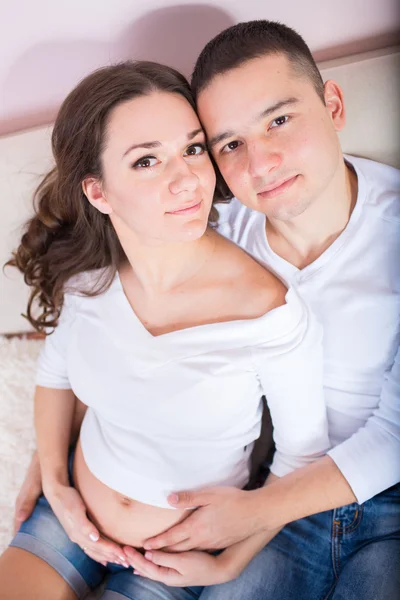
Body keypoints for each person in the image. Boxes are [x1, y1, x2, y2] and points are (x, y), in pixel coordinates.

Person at [0, 60, 329, 600]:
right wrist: (56, 485)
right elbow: (55, 371)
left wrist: (227, 564)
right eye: (147, 160)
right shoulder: (92, 278)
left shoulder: (266, 311)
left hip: (173, 561)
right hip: (69, 518)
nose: (187, 179)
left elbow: (301, 457)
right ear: (99, 193)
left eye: (194, 148)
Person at [119, 20, 399, 600]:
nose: (261, 163)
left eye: (279, 120)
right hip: (276, 492)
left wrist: (250, 516)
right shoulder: (217, 236)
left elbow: (395, 435)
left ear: (333, 105)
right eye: (230, 144)